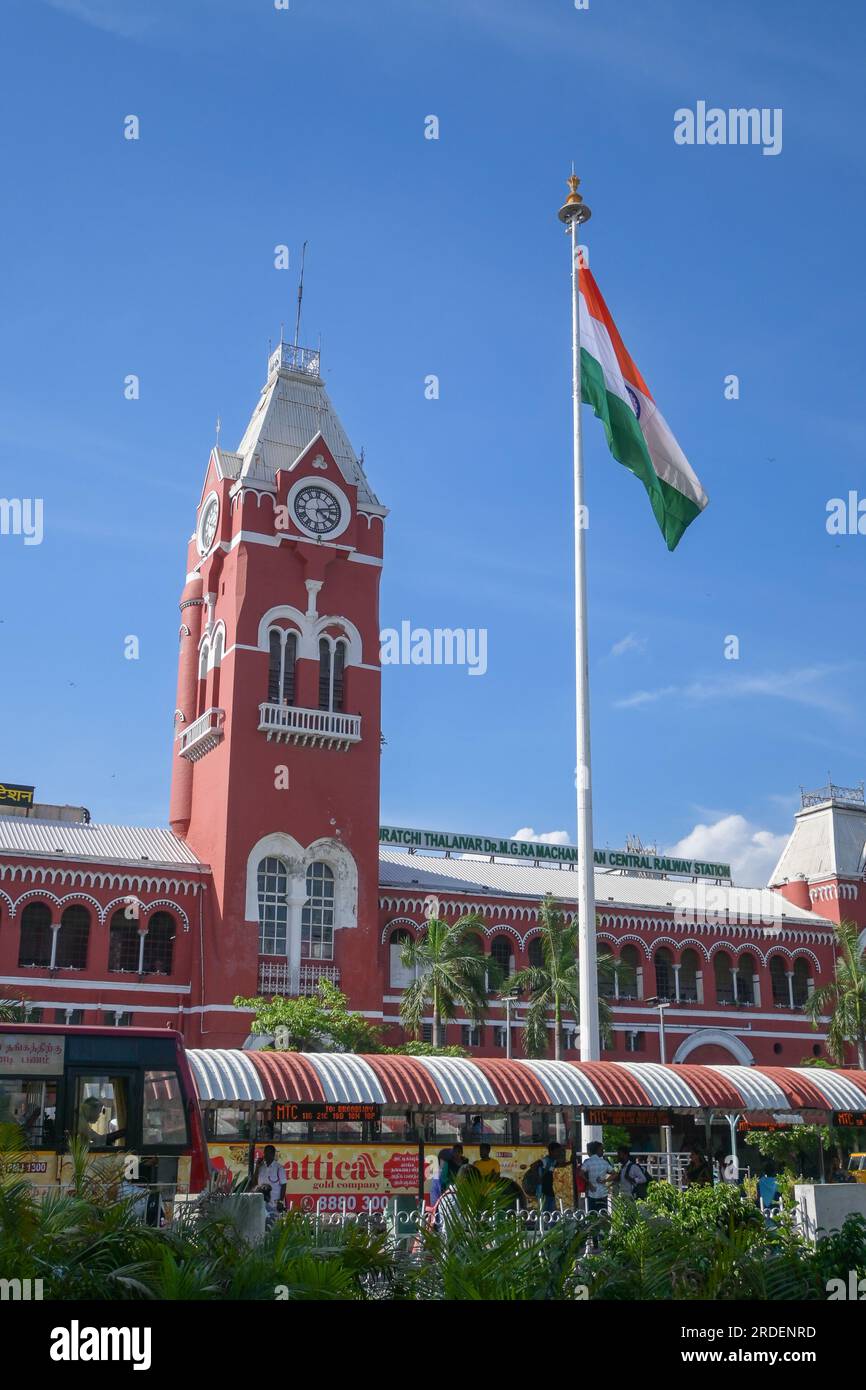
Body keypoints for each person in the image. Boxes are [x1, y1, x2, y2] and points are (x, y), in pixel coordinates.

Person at [254, 1144, 286, 1217]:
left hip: (274, 1203)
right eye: (264, 1152)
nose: (265, 1155)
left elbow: (284, 1185)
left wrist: (280, 1201)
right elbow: (254, 1181)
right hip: (261, 1202)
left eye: (268, 1153)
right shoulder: (261, 1167)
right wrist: (257, 1167)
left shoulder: (279, 1168)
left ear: (273, 1154)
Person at [537, 1141, 565, 1215]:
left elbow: (561, 1165)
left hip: (549, 1190)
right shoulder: (545, 1160)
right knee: (544, 1211)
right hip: (543, 1191)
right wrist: (539, 1178)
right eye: (557, 1151)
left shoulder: (553, 1161)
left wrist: (571, 1162)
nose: (559, 1154)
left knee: (551, 1212)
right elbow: (533, 1166)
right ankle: (542, 1226)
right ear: (551, 1151)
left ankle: (549, 1225)